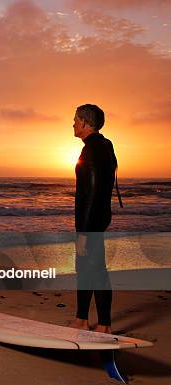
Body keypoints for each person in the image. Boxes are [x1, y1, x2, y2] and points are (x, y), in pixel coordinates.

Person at [69, 104, 122, 334]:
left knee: (96, 270)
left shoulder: (92, 150)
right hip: (97, 219)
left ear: (84, 122)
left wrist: (83, 234)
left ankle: (104, 325)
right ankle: (81, 319)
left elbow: (91, 194)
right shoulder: (103, 145)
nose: (72, 124)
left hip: (91, 222)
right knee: (86, 268)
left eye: (75, 120)